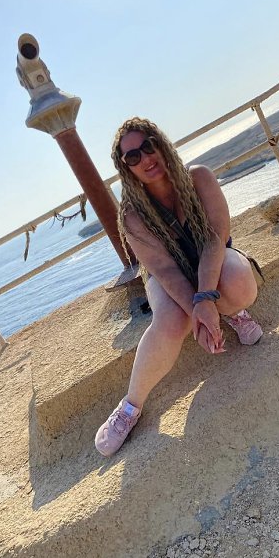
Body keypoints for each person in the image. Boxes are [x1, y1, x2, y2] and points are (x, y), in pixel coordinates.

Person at [95, 118, 262, 456]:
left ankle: (233, 312)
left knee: (239, 283)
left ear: (160, 143)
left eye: (148, 146)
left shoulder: (199, 178)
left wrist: (206, 299)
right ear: (127, 169)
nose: (145, 158)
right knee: (171, 321)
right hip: (168, 277)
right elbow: (166, 271)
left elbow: (215, 239)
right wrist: (197, 311)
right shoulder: (133, 216)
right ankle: (129, 407)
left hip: (212, 260)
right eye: (133, 157)